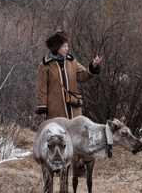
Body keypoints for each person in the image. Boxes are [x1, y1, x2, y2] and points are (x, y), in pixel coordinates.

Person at [36, 30, 102, 177]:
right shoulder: (44, 66)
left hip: (73, 108)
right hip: (55, 110)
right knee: (58, 139)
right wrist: (42, 108)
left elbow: (83, 76)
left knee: (76, 137)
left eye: (67, 45)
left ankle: (78, 167)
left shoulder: (72, 61)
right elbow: (41, 89)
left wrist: (92, 66)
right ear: (56, 47)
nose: (66, 48)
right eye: (64, 46)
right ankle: (57, 166)